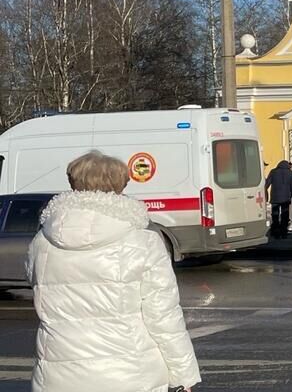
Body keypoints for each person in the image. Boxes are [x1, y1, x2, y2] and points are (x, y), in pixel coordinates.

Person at [27, 151, 201, 392]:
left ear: (73, 182)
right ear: (121, 184)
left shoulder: (43, 241)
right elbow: (163, 316)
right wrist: (184, 375)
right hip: (131, 373)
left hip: (58, 374)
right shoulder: (143, 242)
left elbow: (37, 287)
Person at [265, 160, 292, 239]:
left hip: (275, 198)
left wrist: (263, 192)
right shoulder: (291, 173)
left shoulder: (273, 172)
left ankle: (275, 231)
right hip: (286, 199)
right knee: (284, 215)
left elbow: (267, 183)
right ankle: (283, 232)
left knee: (275, 215)